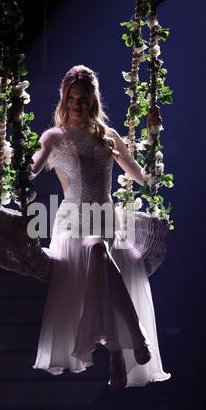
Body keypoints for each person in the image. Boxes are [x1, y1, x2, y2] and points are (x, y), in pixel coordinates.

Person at [29, 64, 170, 390]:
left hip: (106, 219)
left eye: (83, 99)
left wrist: (153, 141)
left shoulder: (109, 137)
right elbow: (33, 168)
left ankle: (119, 357)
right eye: (71, 99)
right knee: (96, 250)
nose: (77, 105)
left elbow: (142, 177)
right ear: (64, 100)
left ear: (92, 99)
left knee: (101, 259)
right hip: (73, 222)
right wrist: (16, 168)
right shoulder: (54, 137)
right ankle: (132, 341)